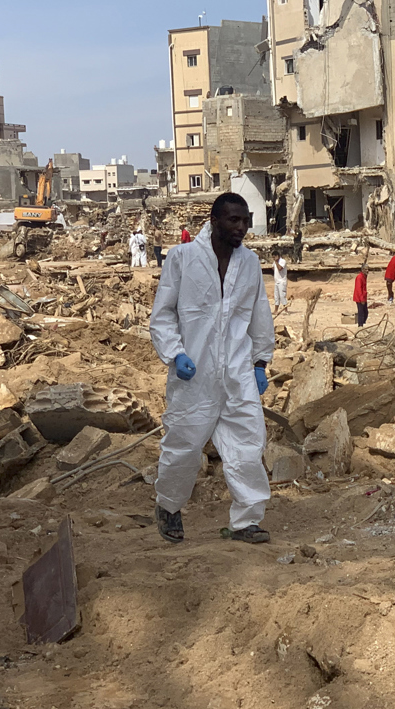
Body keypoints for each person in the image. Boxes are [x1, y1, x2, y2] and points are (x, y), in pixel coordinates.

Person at [149, 192, 275, 545]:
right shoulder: (183, 258)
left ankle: (246, 521)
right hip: (194, 374)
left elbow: (259, 313)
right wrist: (175, 354)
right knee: (184, 444)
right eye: (234, 220)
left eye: (246, 221)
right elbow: (162, 316)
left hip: (237, 371)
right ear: (214, 220)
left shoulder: (249, 262)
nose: (242, 228)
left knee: (248, 443)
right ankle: (169, 506)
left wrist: (260, 361)